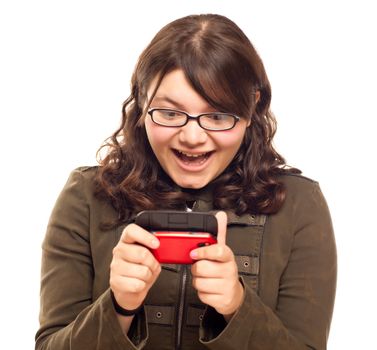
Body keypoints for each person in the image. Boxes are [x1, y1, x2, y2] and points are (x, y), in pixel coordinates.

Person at [35, 13, 336, 350]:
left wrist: (237, 306)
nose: (192, 137)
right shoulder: (87, 196)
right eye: (169, 113)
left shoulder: (297, 203)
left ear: (250, 109)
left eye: (218, 115)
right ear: (141, 102)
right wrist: (119, 306)